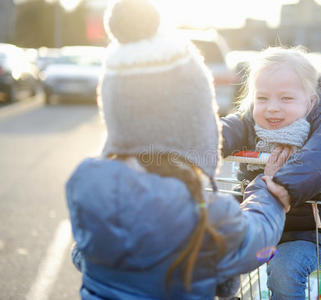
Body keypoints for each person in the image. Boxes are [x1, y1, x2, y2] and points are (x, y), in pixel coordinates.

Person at [66, 0, 292, 299]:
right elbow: (259, 247)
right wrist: (270, 194)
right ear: (195, 127)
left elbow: (80, 255)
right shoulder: (205, 218)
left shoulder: (90, 194)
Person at [221, 47, 321, 299]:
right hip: (257, 225)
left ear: (311, 101)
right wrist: (195, 147)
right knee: (211, 248)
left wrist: (282, 185)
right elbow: (224, 130)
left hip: (309, 233)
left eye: (286, 98)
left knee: (285, 270)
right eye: (262, 98)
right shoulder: (249, 123)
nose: (272, 108)